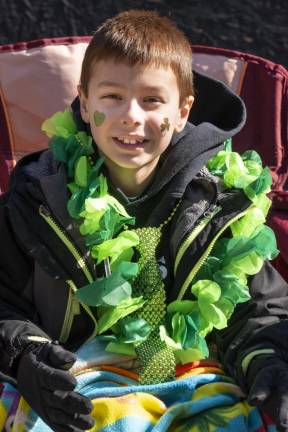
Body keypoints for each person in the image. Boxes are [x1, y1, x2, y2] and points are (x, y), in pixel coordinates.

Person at [0, 9, 288, 432]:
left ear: (183, 110)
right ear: (84, 102)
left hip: (198, 377)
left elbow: (260, 310)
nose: (132, 115)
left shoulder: (221, 202)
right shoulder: (38, 200)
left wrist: (270, 362)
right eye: (112, 97)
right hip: (75, 380)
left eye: (152, 100)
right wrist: (25, 357)